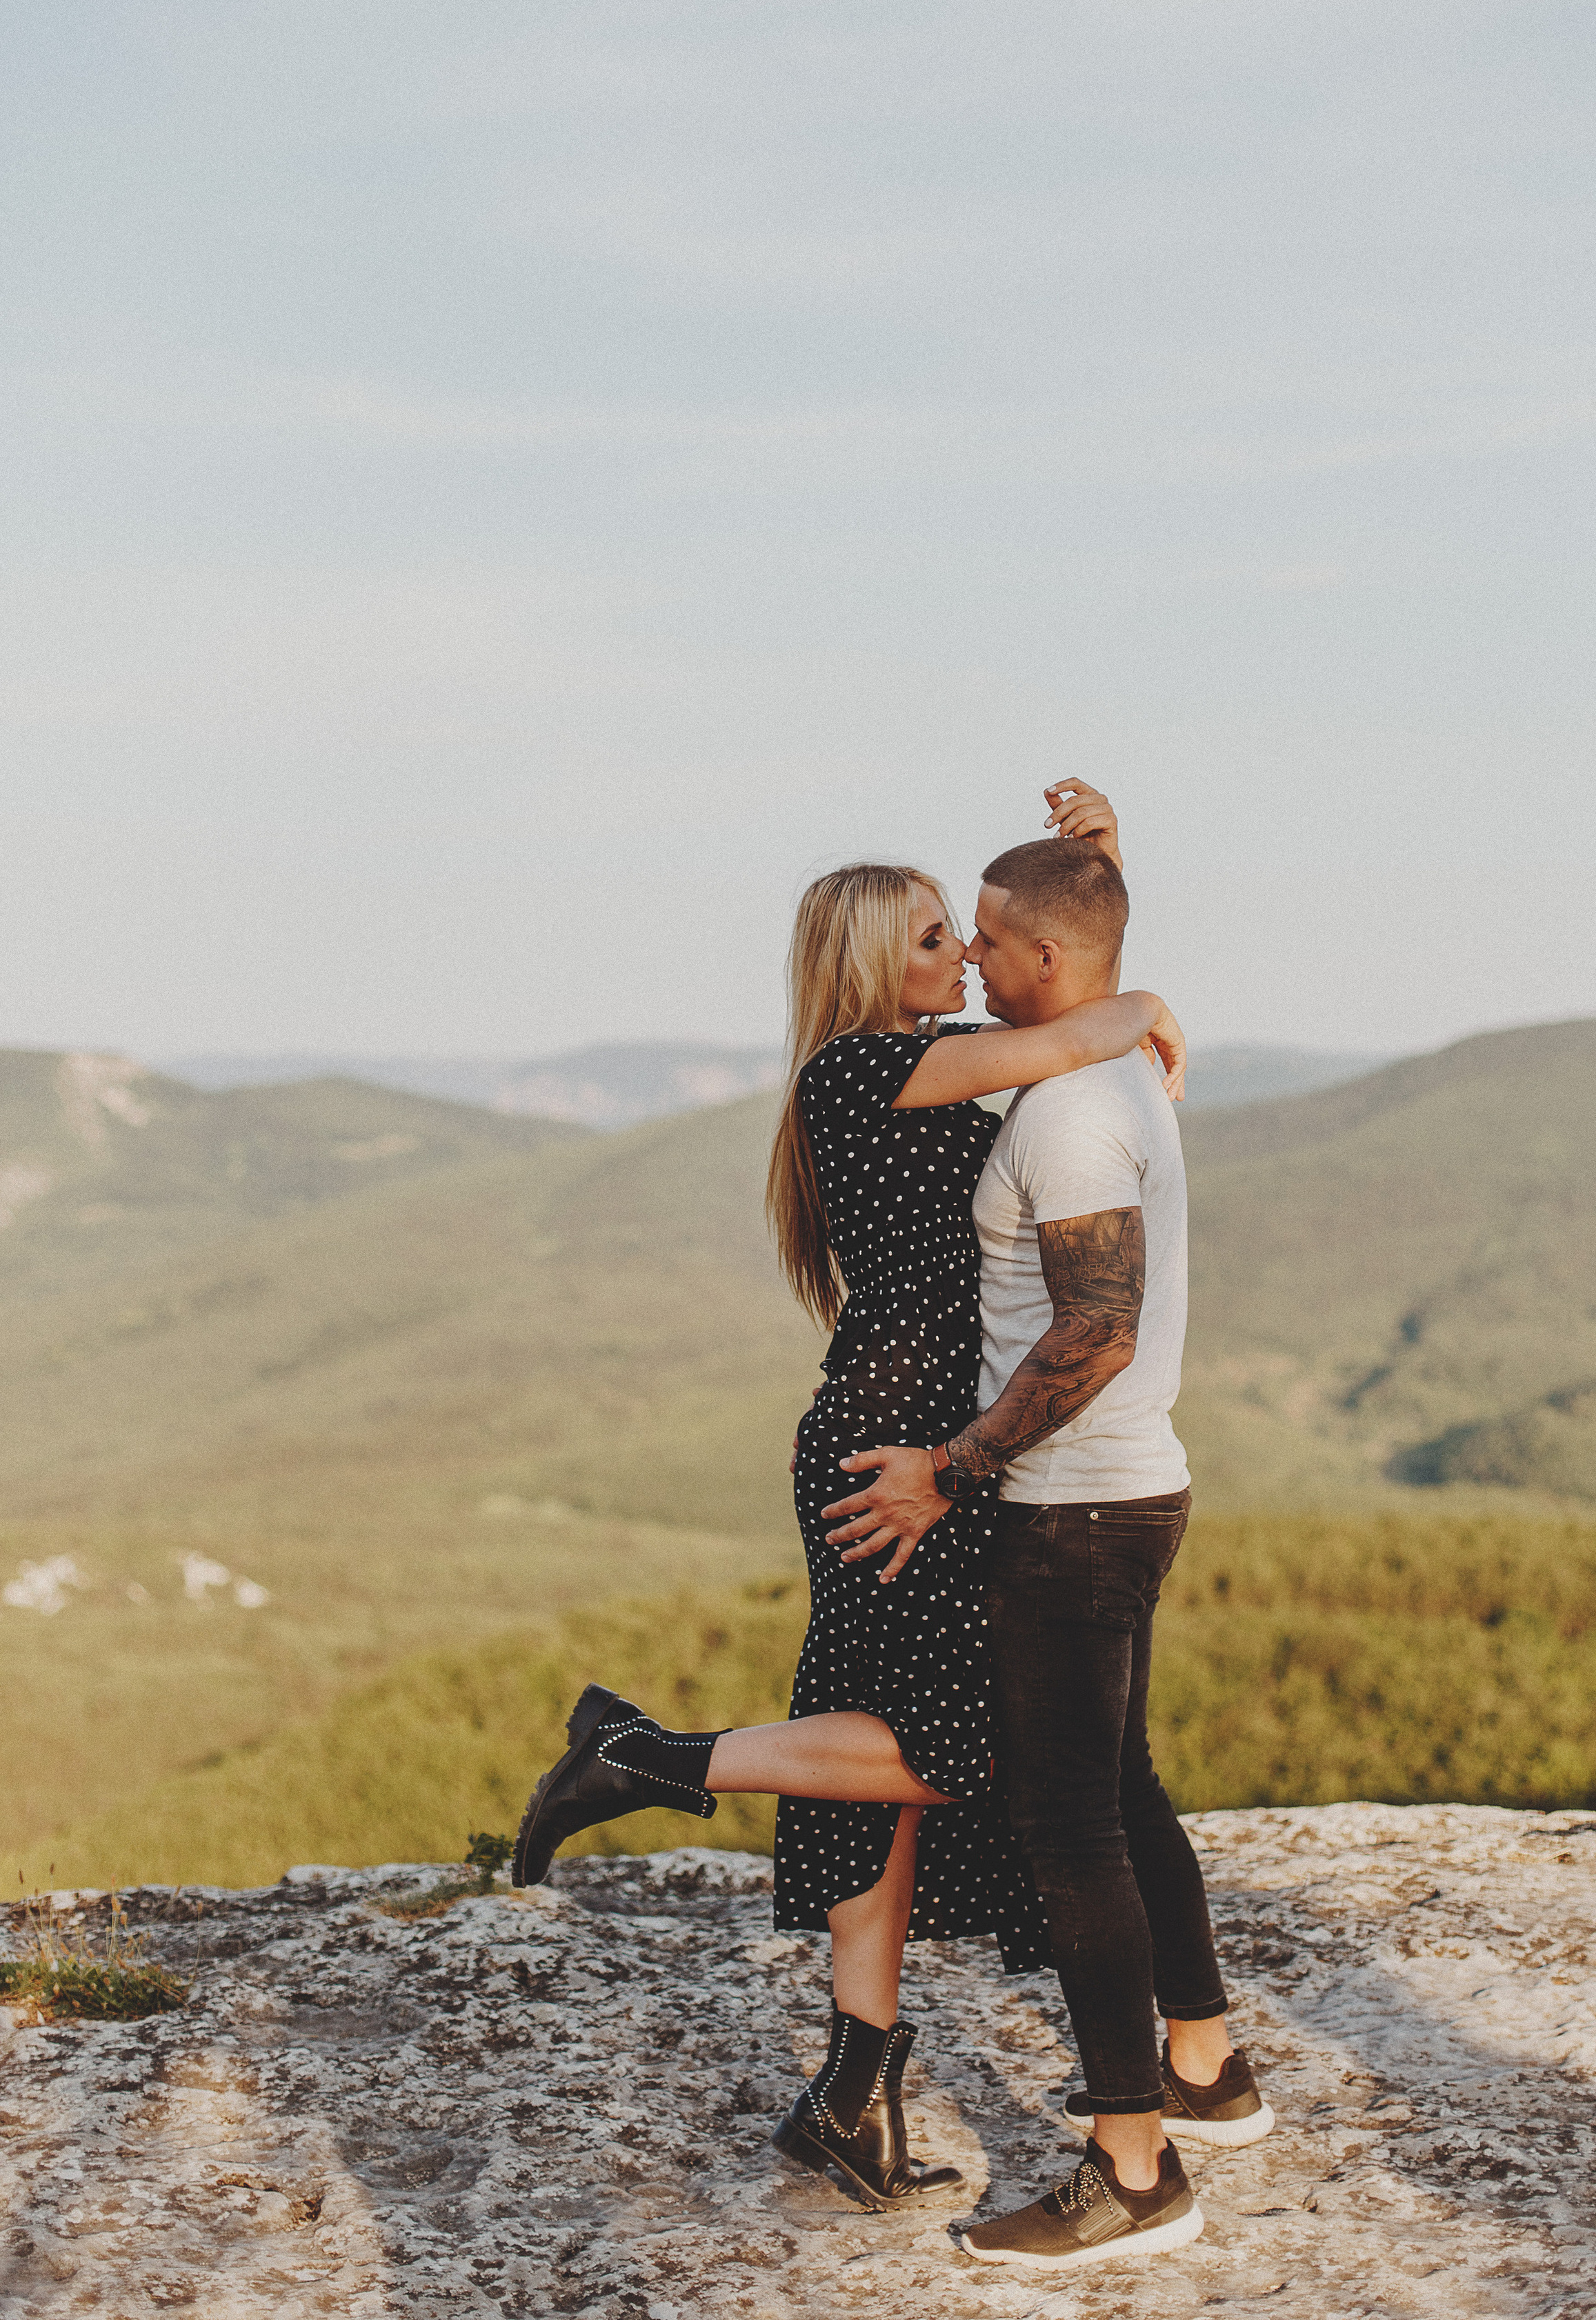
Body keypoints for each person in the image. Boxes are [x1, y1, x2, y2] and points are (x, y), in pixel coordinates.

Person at [510, 782, 1187, 2214]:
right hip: (900, 1451)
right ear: (874, 963)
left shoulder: (923, 1062)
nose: (960, 956)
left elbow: (1058, 987)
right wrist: (1139, 1003)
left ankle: (852, 2093)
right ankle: (643, 1757)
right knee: (957, 1752)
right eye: (935, 938)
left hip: (912, 1432)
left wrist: (1097, 887)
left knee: (864, 1748)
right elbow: (1070, 1027)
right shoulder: (861, 1069)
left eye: (966, 936)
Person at [832, 834, 1272, 2273]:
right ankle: (1205, 2069)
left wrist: (950, 1471)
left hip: (1070, 1508)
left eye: (984, 937)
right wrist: (1105, 873)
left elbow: (1094, 1330)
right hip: (1127, 1494)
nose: (970, 955)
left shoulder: (1070, 1112)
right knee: (1123, 1787)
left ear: (1040, 960)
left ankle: (1130, 2169)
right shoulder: (1107, 1063)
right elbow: (1088, 938)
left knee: (1070, 1829)